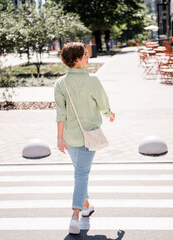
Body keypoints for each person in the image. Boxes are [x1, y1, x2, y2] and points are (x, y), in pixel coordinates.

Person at [54, 42, 115, 235]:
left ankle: (86, 205)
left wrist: (59, 138)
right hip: (89, 136)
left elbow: (60, 113)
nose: (88, 56)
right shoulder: (92, 81)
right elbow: (103, 103)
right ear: (77, 59)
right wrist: (109, 113)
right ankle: (75, 216)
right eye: (86, 54)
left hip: (70, 137)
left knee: (80, 171)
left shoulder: (60, 83)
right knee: (81, 175)